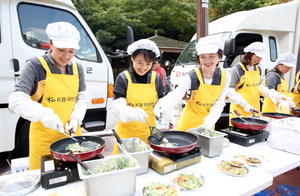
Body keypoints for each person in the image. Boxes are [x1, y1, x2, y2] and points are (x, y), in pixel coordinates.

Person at [8, 22, 90, 170]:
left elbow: (82, 98)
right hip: (44, 138)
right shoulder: (35, 66)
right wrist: (44, 114)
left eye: (71, 51)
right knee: (46, 180)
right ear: (50, 44)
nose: (66, 56)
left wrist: (76, 117)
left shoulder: (77, 68)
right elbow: (16, 99)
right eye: (61, 50)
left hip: (71, 135)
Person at [154, 35, 231, 131]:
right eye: (203, 57)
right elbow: (176, 95)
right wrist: (163, 105)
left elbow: (219, 102)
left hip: (207, 125)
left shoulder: (225, 76)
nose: (207, 61)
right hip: (188, 124)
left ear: (219, 56)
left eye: (211, 56)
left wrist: (211, 120)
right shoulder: (191, 76)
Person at [112, 39, 165, 145]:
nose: (143, 67)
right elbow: (118, 107)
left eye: (148, 63)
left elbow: (162, 102)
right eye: (139, 62)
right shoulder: (123, 78)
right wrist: (131, 113)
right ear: (132, 58)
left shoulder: (156, 79)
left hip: (149, 133)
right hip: (126, 134)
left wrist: (166, 113)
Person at [227, 42, 289, 121]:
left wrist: (271, 94)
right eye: (258, 57)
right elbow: (229, 90)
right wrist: (245, 105)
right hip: (239, 111)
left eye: (261, 58)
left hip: (254, 109)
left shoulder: (258, 69)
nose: (259, 59)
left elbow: (259, 87)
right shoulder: (237, 69)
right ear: (249, 54)